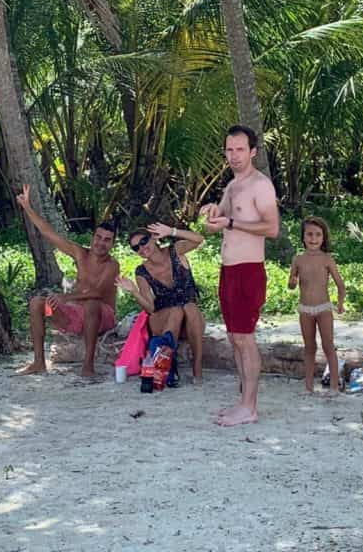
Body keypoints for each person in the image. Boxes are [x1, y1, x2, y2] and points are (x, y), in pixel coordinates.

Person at [200, 125, 280, 426]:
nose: (234, 156)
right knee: (234, 338)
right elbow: (217, 221)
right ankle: (243, 401)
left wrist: (231, 223)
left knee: (245, 339)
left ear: (253, 152)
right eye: (230, 150)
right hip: (228, 269)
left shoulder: (261, 185)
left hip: (249, 270)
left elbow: (272, 229)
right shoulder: (232, 186)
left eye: (240, 150)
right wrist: (210, 211)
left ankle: (250, 406)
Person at [15, 184, 119, 377]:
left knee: (92, 303)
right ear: (92, 237)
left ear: (113, 244)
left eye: (107, 240)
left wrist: (65, 297)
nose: (101, 243)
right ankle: (38, 362)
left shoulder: (112, 265)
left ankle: (88, 366)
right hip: (74, 315)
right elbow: (49, 234)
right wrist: (27, 207)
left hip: (101, 316)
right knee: (38, 303)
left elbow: (97, 293)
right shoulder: (80, 253)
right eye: (98, 237)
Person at [115, 222, 207, 384]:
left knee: (190, 307)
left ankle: (196, 367)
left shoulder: (175, 251)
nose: (142, 248)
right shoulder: (141, 271)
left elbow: (199, 239)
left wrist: (172, 231)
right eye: (136, 248)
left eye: (143, 242)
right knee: (177, 311)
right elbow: (150, 308)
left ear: (153, 238)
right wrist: (134, 291)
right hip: (162, 318)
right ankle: (168, 367)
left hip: (190, 319)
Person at [288, 217, 345, 395]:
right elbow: (291, 284)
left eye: (318, 235)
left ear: (323, 237)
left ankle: (334, 386)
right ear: (303, 237)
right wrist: (292, 281)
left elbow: (340, 284)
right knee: (309, 347)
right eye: (310, 234)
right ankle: (308, 386)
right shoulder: (298, 259)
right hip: (305, 309)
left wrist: (340, 303)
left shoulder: (327, 259)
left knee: (328, 345)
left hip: (324, 308)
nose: (313, 238)